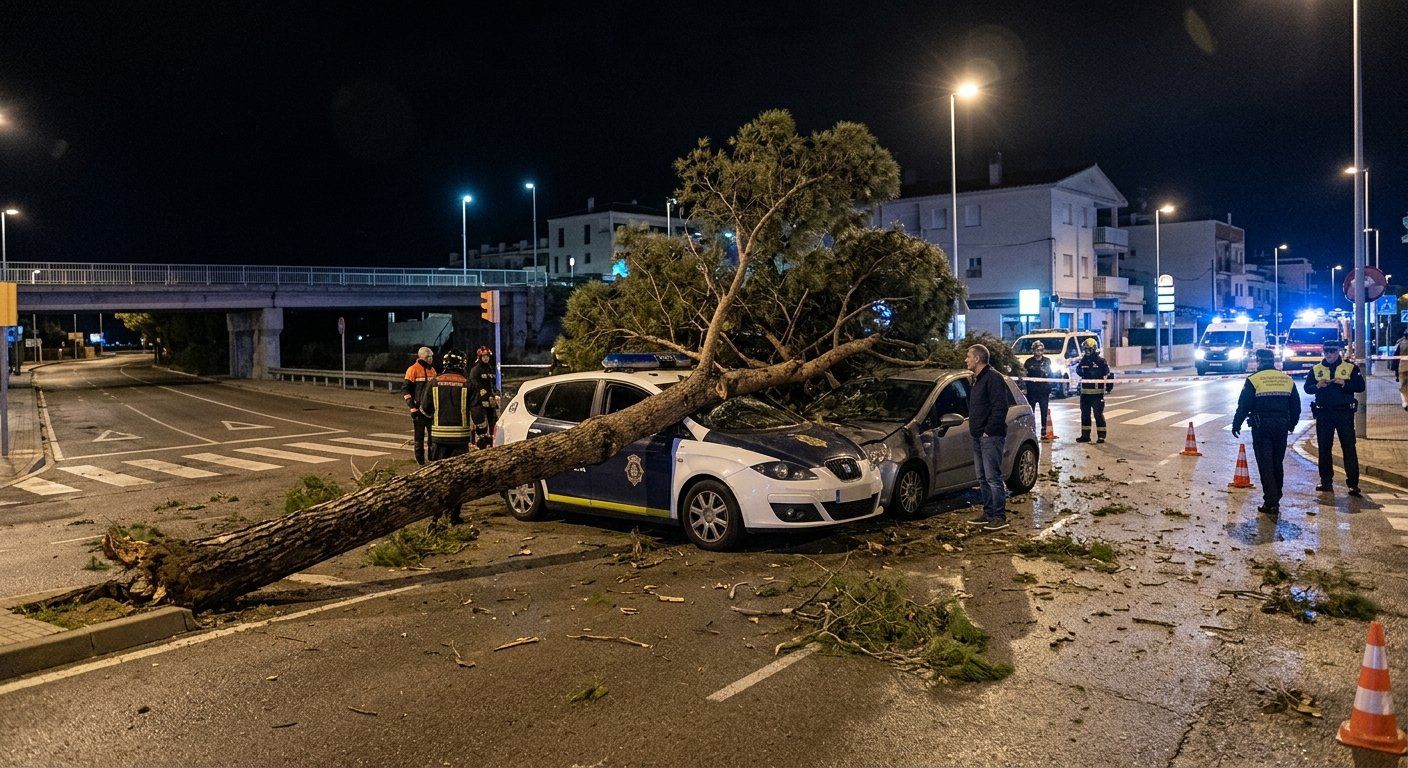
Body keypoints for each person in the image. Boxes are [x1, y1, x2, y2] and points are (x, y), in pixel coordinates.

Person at [1232, 348, 1301, 516]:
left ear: (1258, 361)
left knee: (1265, 464)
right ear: (1273, 361)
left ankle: (1271, 501)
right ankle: (1276, 497)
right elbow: (1296, 407)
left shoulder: (1254, 380)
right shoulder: (1286, 379)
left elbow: (1244, 405)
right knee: (1277, 463)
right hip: (1281, 426)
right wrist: (1291, 425)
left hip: (1262, 426)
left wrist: (1236, 424)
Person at [1303, 340, 1364, 497]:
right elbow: (1307, 388)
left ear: (1339, 351)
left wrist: (1344, 383)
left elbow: (1360, 386)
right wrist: (1317, 386)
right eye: (1326, 351)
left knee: (1349, 447)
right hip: (1324, 414)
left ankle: (1353, 484)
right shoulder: (1317, 369)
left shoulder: (1350, 367)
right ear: (1323, 351)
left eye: (1332, 350)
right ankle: (1326, 482)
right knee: (1324, 448)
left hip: (1344, 413)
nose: (1329, 354)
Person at [964, 344, 1013, 532]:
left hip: (990, 437)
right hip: (978, 436)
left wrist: (988, 431)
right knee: (983, 477)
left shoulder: (993, 378)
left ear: (977, 359)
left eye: (969, 356)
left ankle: (999, 516)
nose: (966, 360)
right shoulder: (977, 379)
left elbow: (1000, 406)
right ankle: (988, 513)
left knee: (993, 477)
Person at [419, 350, 472, 525]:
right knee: (458, 480)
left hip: (439, 440)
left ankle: (436, 517)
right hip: (460, 441)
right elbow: (478, 414)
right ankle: (454, 516)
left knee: (439, 479)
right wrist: (483, 434)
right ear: (462, 365)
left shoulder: (434, 382)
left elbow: (425, 410)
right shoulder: (467, 384)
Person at [400, 346, 437, 465]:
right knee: (419, 438)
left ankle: (432, 460)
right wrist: (412, 407)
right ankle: (420, 462)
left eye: (431, 356)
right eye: (428, 357)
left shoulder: (432, 370)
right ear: (421, 357)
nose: (430, 359)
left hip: (432, 410)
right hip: (419, 410)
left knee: (433, 438)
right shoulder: (413, 370)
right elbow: (406, 389)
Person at [1074, 338, 1113, 443]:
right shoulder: (1084, 360)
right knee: (1085, 415)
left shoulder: (1100, 361)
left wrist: (1109, 387)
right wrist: (1081, 369)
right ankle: (1085, 436)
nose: (1086, 351)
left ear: (1093, 349)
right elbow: (1078, 370)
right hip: (1085, 394)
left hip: (1097, 394)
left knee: (1098, 415)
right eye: (1085, 349)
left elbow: (1108, 374)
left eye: (1088, 349)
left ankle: (1101, 436)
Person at [467, 346, 501, 450]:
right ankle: (477, 444)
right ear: (480, 357)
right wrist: (487, 395)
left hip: (491, 402)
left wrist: (496, 393)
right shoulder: (475, 370)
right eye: (484, 356)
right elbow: (475, 385)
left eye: (487, 356)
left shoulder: (490, 369)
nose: (486, 358)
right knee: (480, 425)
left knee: (493, 422)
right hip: (479, 403)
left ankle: (491, 443)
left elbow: (493, 385)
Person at [1022, 341, 1054, 440]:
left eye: (1040, 350)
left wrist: (1050, 387)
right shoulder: (1029, 362)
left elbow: (1051, 374)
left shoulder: (1047, 361)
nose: (1039, 352)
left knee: (1044, 411)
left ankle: (1044, 431)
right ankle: (1030, 430)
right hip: (1032, 391)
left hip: (1043, 391)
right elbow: (1025, 374)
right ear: (1033, 351)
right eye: (1037, 350)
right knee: (1031, 411)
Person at [1394, 329, 1408, 411]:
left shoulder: (1401, 344)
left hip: (1403, 369)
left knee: (1403, 387)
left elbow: (1396, 359)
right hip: (1403, 369)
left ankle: (1405, 403)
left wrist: (1396, 373)